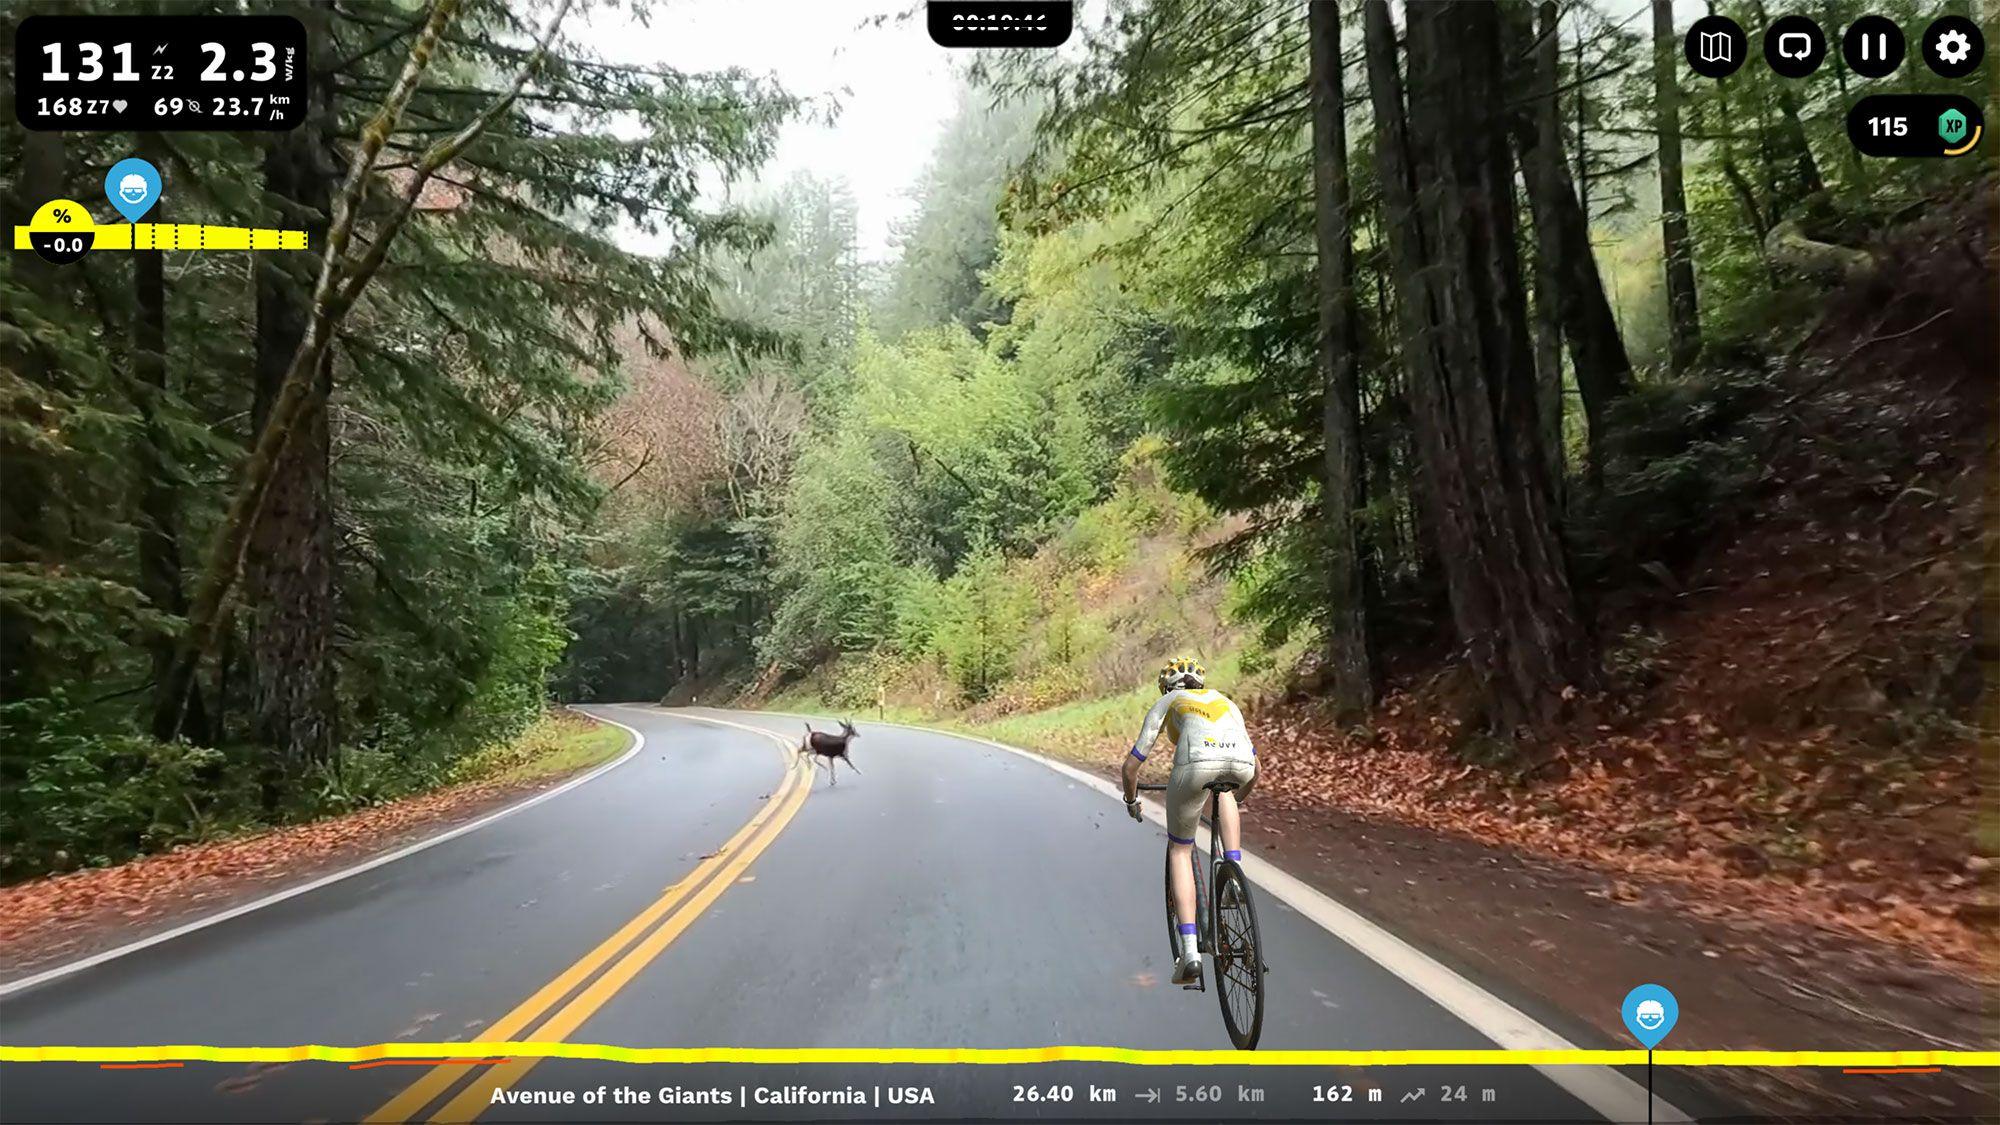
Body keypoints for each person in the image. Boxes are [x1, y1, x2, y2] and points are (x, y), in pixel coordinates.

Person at [1120, 656, 1256, 986]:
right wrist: (1239, 797)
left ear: (1166, 687)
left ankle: (1190, 952)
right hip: (1241, 766)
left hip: (1194, 766)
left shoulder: (1168, 701)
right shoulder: (1225, 701)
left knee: (1180, 849)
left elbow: (1131, 767)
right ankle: (1234, 872)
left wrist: (1131, 800)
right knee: (1226, 791)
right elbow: (1256, 770)